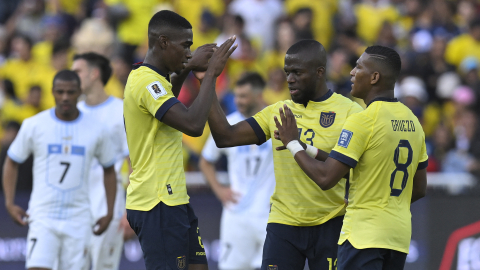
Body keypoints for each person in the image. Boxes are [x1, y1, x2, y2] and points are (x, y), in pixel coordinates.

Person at [206, 39, 363, 269]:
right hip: (284, 224)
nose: (289, 79)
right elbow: (225, 137)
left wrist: (294, 144)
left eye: (297, 72)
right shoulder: (278, 112)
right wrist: (209, 79)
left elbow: (348, 171)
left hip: (331, 222)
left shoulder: (350, 112)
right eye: (287, 72)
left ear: (319, 72)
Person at [273, 45, 428, 269]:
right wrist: (307, 148)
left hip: (363, 236)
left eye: (358, 67)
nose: (352, 72)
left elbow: (326, 178)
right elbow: (419, 188)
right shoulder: (412, 121)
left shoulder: (363, 120)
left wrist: (292, 144)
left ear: (374, 77)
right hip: (398, 238)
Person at [123, 10, 236, 270]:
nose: (189, 52)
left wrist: (187, 67)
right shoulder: (146, 82)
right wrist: (211, 75)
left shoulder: (155, 81)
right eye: (185, 45)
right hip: (156, 202)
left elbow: (169, 99)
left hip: (174, 200)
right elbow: (193, 125)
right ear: (163, 42)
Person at [2, 70, 117, 270]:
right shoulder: (34, 125)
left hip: (79, 218)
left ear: (80, 92)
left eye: (70, 92)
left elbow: (109, 169)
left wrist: (109, 211)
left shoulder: (97, 130)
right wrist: (9, 202)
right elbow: (12, 161)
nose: (65, 97)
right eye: (60, 91)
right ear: (52, 92)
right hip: (43, 215)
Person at [199, 72, 275, 270]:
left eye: (243, 96)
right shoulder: (227, 125)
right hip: (237, 216)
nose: (238, 101)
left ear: (259, 96)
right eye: (236, 95)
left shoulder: (277, 123)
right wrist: (219, 190)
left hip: (271, 215)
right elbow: (205, 162)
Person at [72, 52, 129, 270]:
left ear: (94, 74)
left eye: (78, 71)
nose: (73, 76)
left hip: (108, 209)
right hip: (75, 211)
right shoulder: (72, 113)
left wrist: (131, 211)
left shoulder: (121, 110)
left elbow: (134, 162)